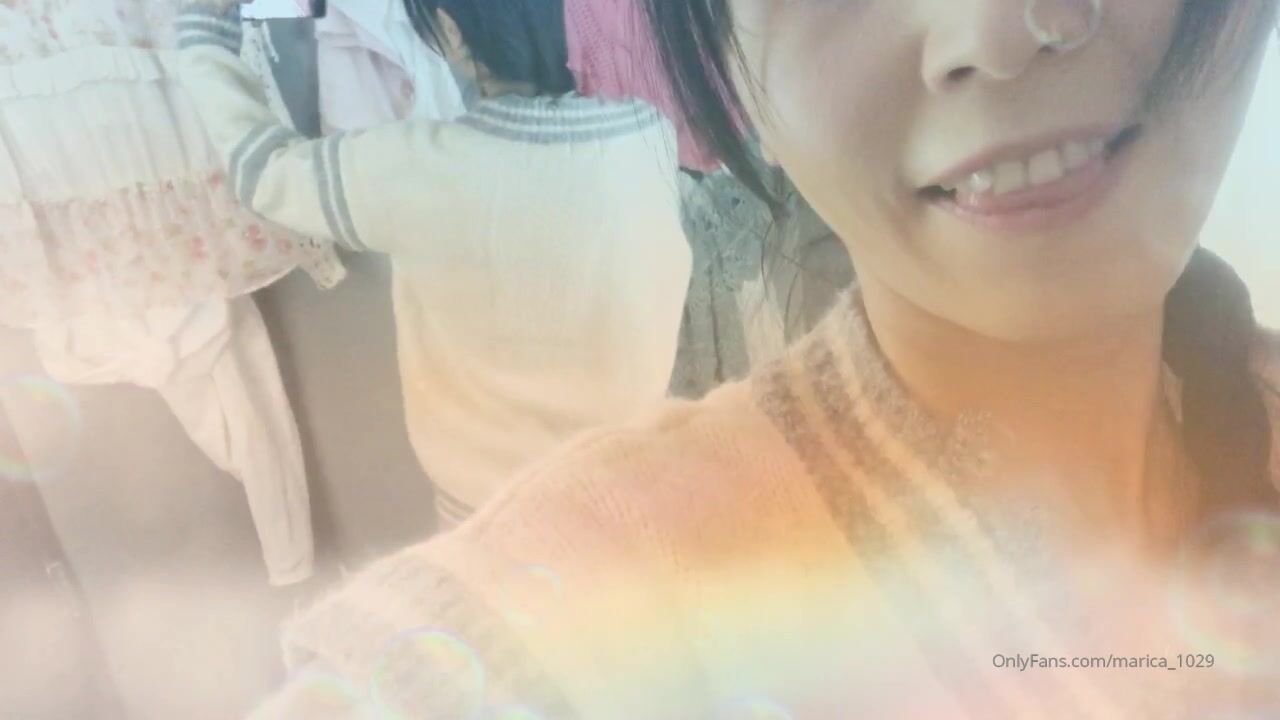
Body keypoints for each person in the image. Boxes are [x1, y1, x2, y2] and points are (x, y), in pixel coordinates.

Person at [250, 0, 1280, 717]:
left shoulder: (419, 165)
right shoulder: (571, 626)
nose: (994, 33)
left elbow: (268, 178)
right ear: (726, 63)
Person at [174, 0, 692, 528]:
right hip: (624, 490)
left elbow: (264, 171)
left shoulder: (416, 165)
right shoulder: (647, 136)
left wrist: (204, 40)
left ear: (450, 29)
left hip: (482, 507)